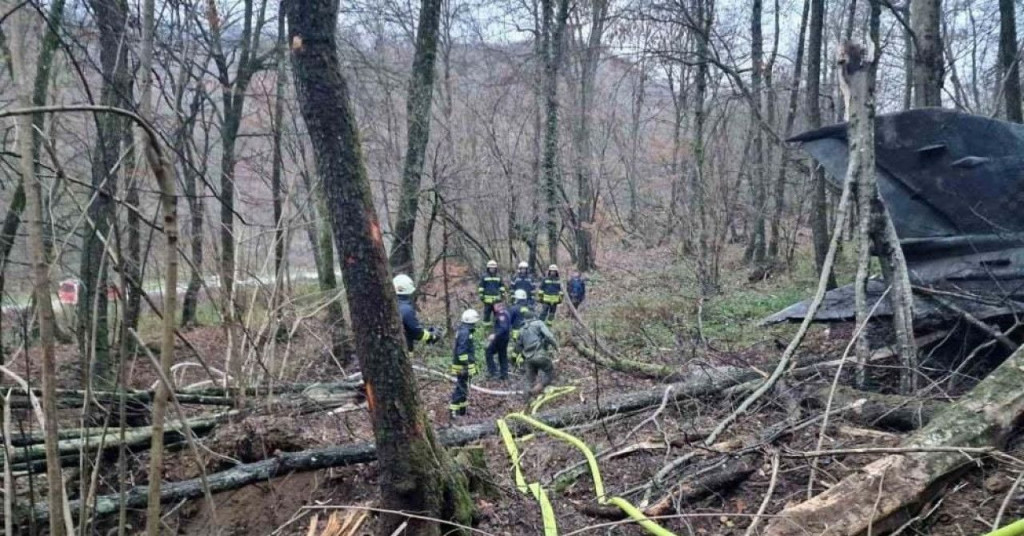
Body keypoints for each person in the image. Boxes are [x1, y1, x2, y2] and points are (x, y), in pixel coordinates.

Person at [393, 274, 440, 353]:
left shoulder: (386, 306)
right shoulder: (406, 309)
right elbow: (416, 332)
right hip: (401, 353)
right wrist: (431, 336)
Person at [516, 310, 559, 396]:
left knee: (529, 381)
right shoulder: (539, 323)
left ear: (525, 319)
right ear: (534, 317)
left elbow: (518, 347)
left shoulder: (521, 330)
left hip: (528, 359)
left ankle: (527, 399)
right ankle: (537, 389)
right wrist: (556, 346)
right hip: (540, 355)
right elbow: (548, 336)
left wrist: (525, 356)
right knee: (549, 373)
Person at [449, 309, 480, 419]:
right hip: (462, 367)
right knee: (460, 387)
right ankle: (453, 410)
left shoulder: (464, 330)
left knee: (463, 386)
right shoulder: (465, 332)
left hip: (462, 366)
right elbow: (462, 352)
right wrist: (467, 365)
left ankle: (462, 410)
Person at [485, 301, 511, 380]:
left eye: (495, 306)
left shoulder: (501, 315)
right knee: (502, 355)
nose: (493, 308)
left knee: (489, 351)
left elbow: (504, 328)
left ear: (499, 306)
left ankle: (493, 372)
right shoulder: (505, 313)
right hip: (504, 338)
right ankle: (504, 374)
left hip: (500, 338)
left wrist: (495, 335)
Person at [477, 259, 506, 326]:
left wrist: (502, 294)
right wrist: (481, 295)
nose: (492, 269)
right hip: (487, 301)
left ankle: (498, 327)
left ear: (496, 268)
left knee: (498, 314)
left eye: (493, 268)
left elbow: (501, 286)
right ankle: (486, 327)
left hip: (497, 300)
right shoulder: (484, 276)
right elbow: (481, 287)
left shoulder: (498, 277)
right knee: (487, 315)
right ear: (488, 268)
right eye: (491, 268)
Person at [508, 289, 532, 365]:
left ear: (517, 298)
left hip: (517, 332)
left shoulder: (513, 308)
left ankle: (518, 362)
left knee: (518, 346)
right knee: (524, 346)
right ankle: (516, 360)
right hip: (528, 332)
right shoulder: (530, 308)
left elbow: (509, 320)